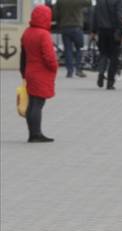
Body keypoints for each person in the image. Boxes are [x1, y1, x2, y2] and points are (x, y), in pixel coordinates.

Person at [20, 5, 58, 143]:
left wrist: (23, 72)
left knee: (32, 103)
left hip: (30, 71)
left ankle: (32, 133)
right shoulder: (43, 34)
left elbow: (23, 55)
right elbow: (49, 56)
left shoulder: (27, 32)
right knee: (38, 104)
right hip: (41, 73)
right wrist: (54, 67)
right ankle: (36, 134)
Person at [92, 0, 122, 90]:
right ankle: (110, 82)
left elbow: (95, 15)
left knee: (103, 53)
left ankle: (101, 74)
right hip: (114, 31)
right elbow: (119, 15)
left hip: (102, 31)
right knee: (114, 57)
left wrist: (94, 30)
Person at [54, 0, 91, 78]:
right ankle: (78, 69)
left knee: (68, 50)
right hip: (77, 27)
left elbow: (55, 14)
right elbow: (89, 3)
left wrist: (59, 22)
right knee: (79, 48)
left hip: (65, 27)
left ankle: (69, 71)